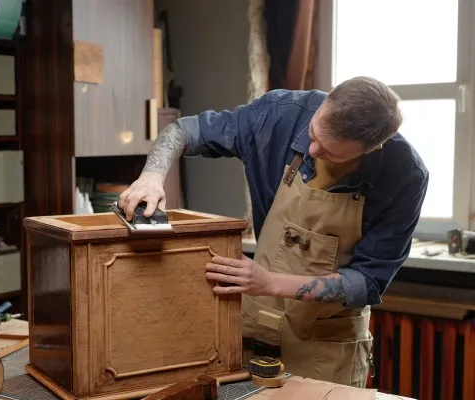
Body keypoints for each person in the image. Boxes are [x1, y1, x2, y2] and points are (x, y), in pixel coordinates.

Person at [117, 76, 428, 388]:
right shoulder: (280, 113)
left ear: (372, 148)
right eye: (313, 134)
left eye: (330, 153)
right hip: (253, 328)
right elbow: (182, 131)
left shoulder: (405, 175)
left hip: (326, 346)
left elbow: (367, 282)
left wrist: (268, 282)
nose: (313, 150)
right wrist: (152, 176)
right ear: (326, 102)